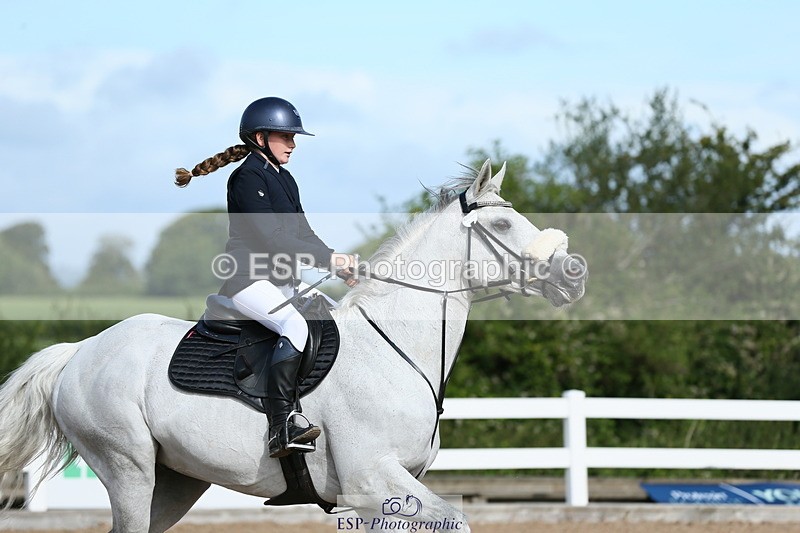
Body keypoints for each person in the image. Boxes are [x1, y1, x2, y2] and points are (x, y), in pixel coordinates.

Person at [175, 97, 357, 458]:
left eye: (293, 137)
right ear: (260, 138)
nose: (293, 143)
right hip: (248, 280)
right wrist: (326, 259)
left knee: (337, 316)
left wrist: (339, 263)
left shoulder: (285, 179)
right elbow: (270, 237)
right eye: (286, 136)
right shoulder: (246, 178)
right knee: (296, 328)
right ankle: (281, 426)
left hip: (283, 280)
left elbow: (303, 234)